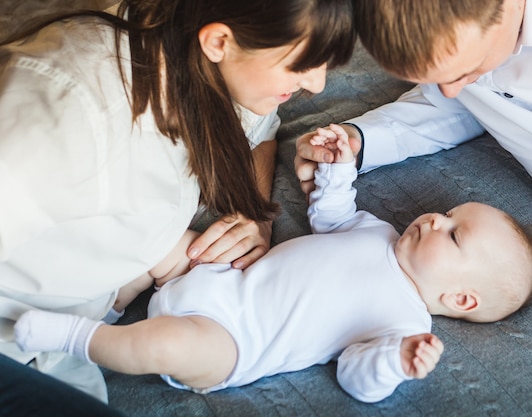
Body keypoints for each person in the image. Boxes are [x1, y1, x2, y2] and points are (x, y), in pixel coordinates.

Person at [15, 123, 532, 404]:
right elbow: (331, 214)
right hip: (219, 274)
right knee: (154, 237)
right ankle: (106, 300)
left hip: (230, 342)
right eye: (447, 212)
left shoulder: (404, 325)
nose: (434, 219)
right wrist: (338, 166)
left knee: (162, 345)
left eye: (453, 235)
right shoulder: (379, 232)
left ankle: (74, 338)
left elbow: (357, 378)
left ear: (460, 299)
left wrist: (396, 362)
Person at [0, 0, 355, 401]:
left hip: (71, 329)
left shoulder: (216, 64)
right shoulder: (69, 122)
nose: (318, 84)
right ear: (219, 40)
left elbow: (262, 127)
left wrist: (253, 212)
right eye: (301, 63)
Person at [293, 0, 532, 410]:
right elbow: (450, 104)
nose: (454, 87)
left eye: (468, 70)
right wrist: (358, 141)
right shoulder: (465, 65)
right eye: (440, 77)